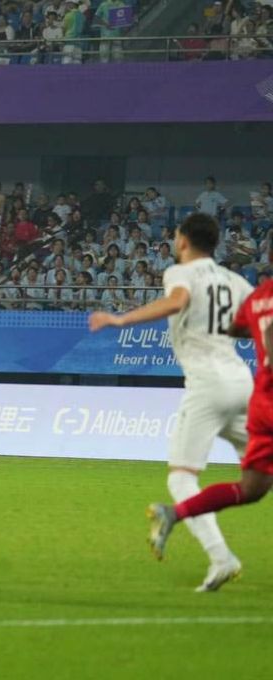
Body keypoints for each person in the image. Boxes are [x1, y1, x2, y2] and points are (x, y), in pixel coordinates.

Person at [89, 214, 252, 592]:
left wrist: (120, 320)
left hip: (208, 386)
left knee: (181, 478)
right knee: (263, 472)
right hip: (243, 382)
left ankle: (221, 558)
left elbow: (178, 301)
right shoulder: (236, 281)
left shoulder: (181, 273)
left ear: (182, 241)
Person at [147, 266, 273, 590]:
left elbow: (237, 326)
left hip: (259, 398)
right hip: (251, 395)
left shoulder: (261, 296)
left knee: (253, 487)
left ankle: (178, 514)